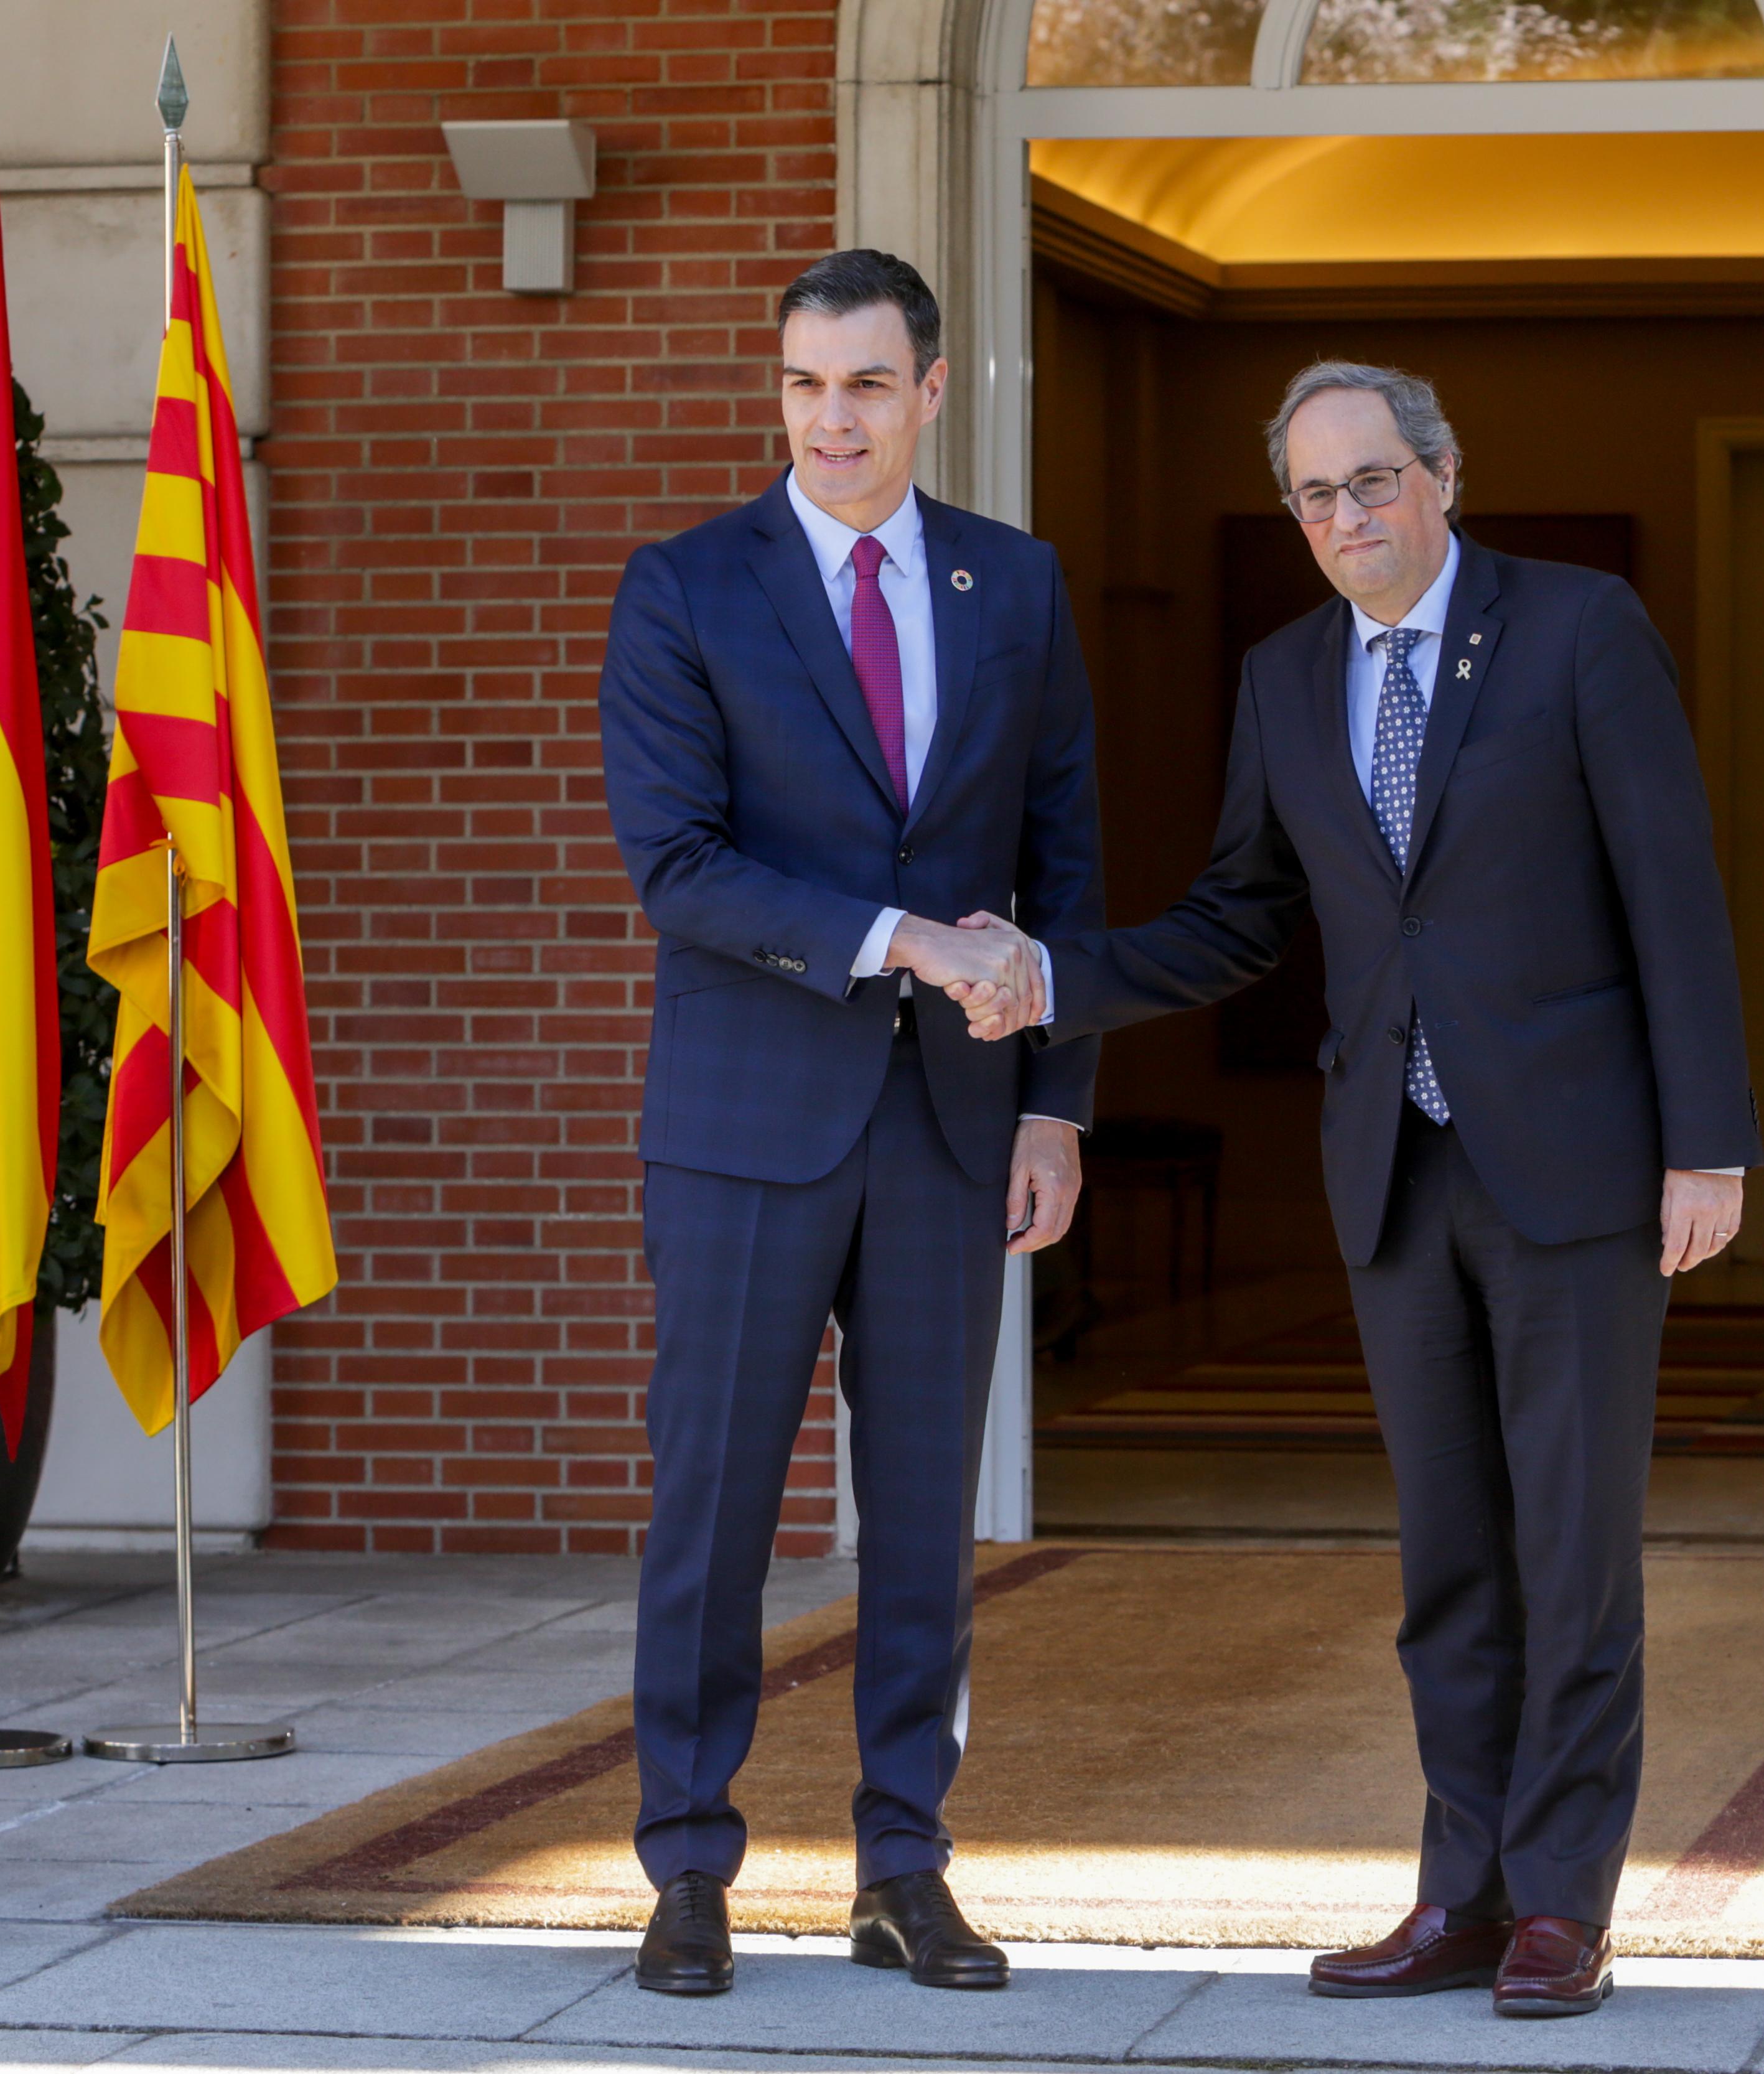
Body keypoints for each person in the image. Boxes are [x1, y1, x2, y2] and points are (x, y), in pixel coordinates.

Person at [961, 362, 1760, 2018]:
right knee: (1453, 1558)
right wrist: (1054, 979)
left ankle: (1561, 1904)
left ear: (1446, 474)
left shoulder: (1577, 629)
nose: (1345, 519)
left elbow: (1673, 889)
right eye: (1315, 497)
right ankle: (1457, 1891)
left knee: (1575, 1548)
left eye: (1373, 482)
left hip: (1581, 1165)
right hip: (1394, 1170)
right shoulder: (1283, 675)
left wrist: (1710, 1143)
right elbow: (1242, 913)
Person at [595, 248, 1094, 1999]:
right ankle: (686, 1869)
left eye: (868, 385)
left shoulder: (1014, 585)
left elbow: (1065, 858)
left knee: (922, 1522)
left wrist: (1058, 1101)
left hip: (956, 1129)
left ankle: (906, 1865)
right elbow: (676, 863)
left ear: (931, 391)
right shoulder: (685, 590)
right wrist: (902, 941)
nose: (833, 419)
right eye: (805, 385)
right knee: (713, 1510)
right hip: (744, 1124)